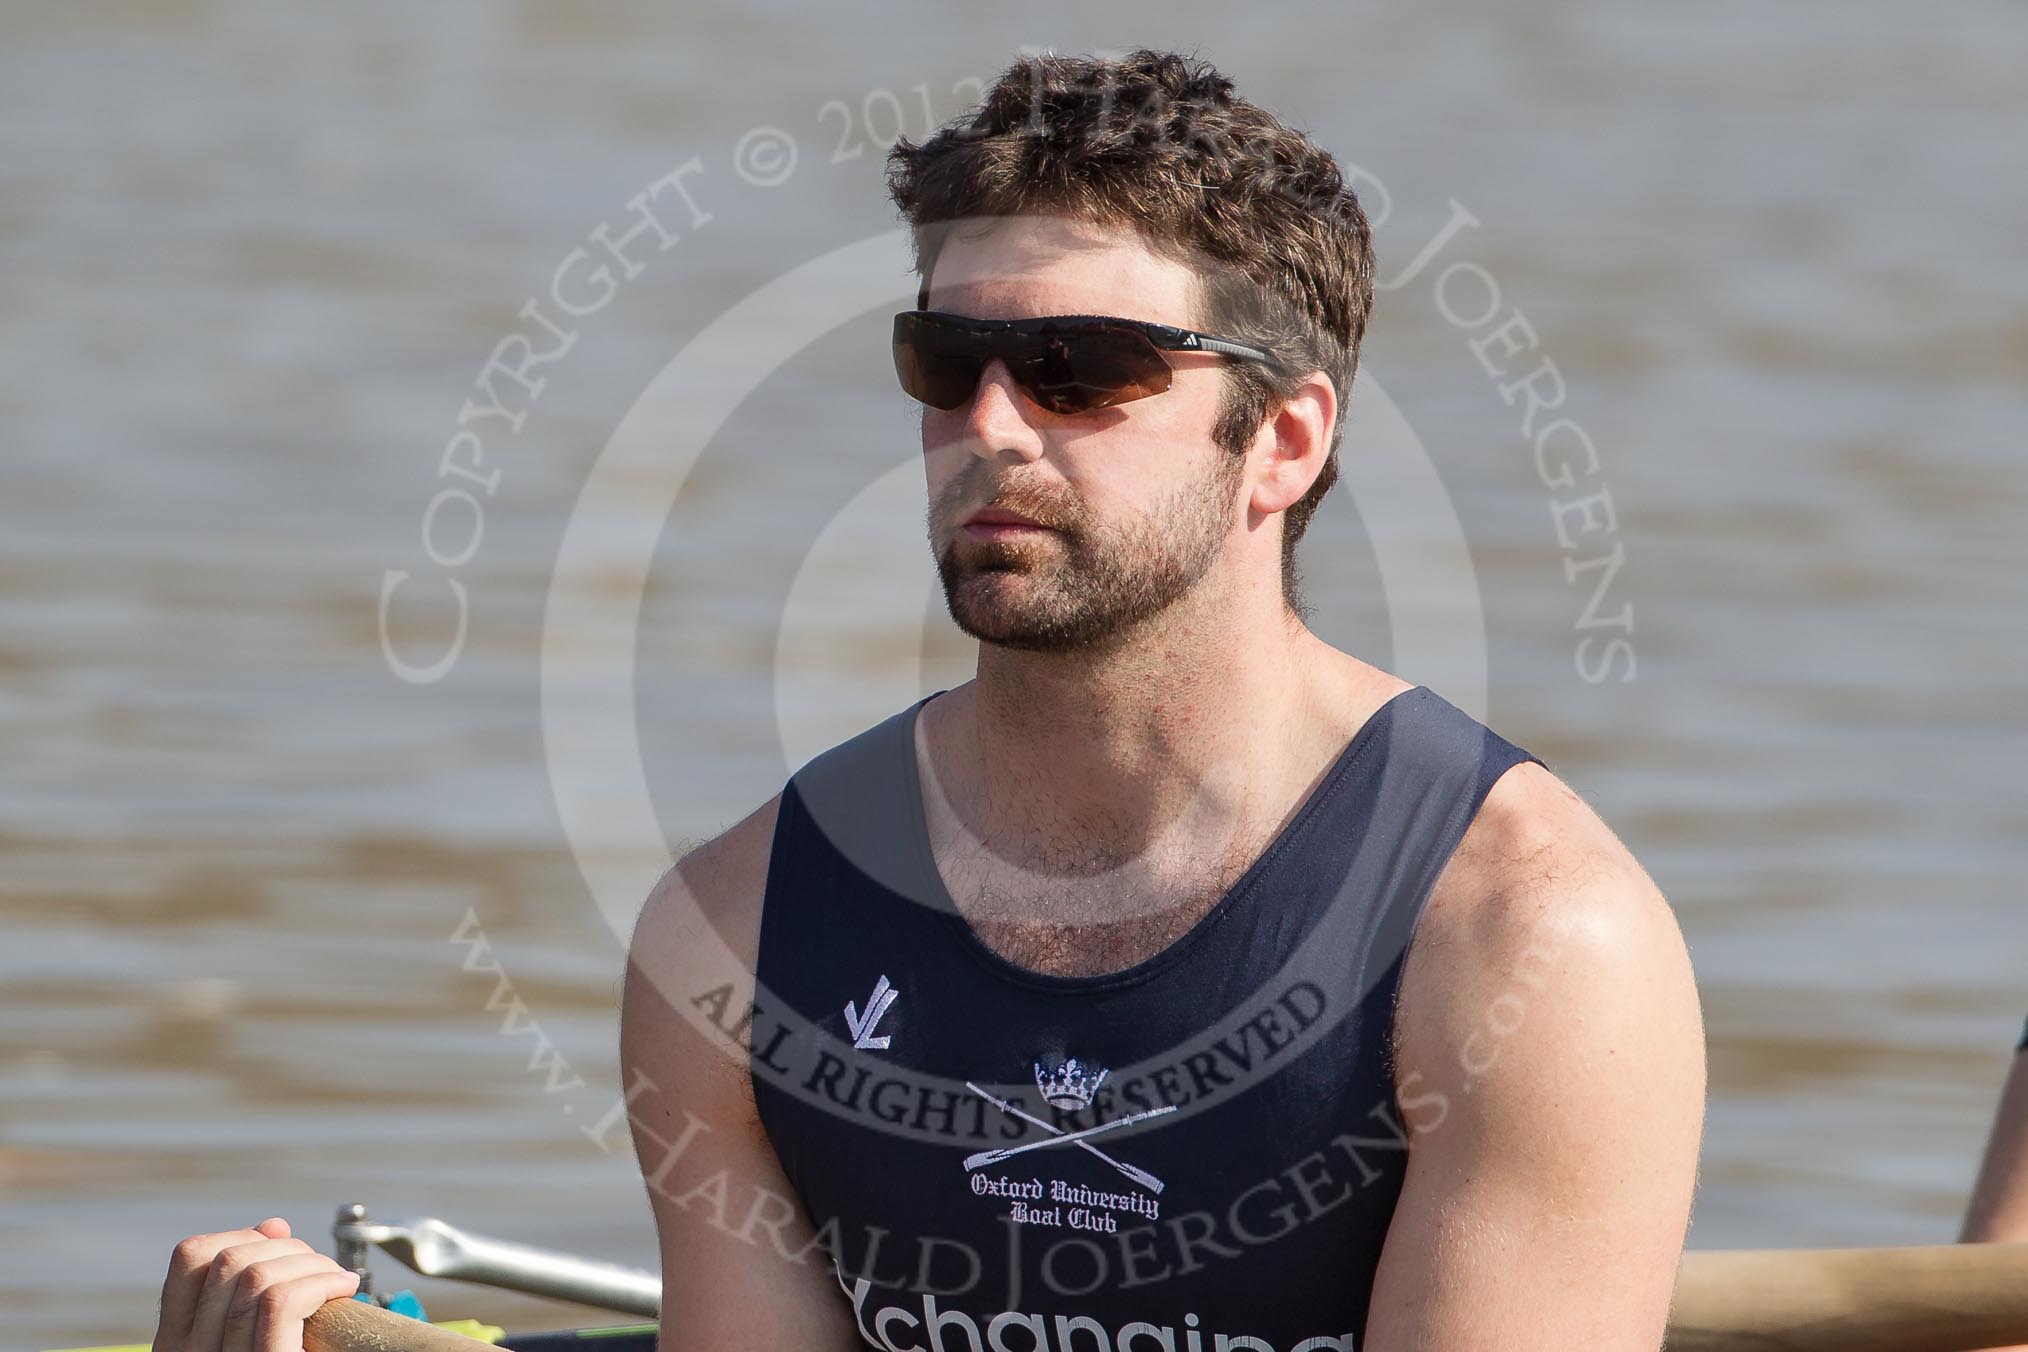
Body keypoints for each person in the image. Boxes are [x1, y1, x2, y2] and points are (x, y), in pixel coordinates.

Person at [153, 48, 1705, 1352]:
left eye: (1081, 367)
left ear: (1283, 441)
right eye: (946, 358)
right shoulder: (737, 932)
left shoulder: (1527, 942)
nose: (991, 427)